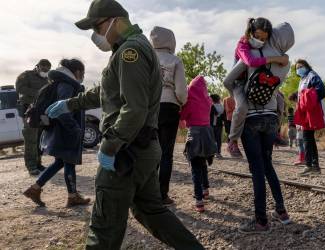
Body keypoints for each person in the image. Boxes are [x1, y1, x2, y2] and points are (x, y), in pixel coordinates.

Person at [45, 1, 203, 249]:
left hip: (126, 151)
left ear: (115, 20)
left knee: (103, 227)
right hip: (141, 148)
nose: (96, 36)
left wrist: (109, 146)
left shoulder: (132, 52)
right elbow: (107, 91)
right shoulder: (127, 50)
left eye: (97, 27)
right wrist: (71, 104)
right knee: (151, 210)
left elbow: (134, 108)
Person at [223, 22, 294, 233]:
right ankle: (282, 212)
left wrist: (236, 91)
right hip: (272, 117)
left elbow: (229, 79)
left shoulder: (254, 53)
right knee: (268, 165)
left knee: (256, 170)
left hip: (252, 118)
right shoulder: (286, 62)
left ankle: (261, 221)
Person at [23, 59, 90, 207]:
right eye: (83, 73)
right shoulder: (67, 85)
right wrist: (75, 129)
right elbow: (62, 111)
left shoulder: (60, 83)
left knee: (62, 162)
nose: (83, 76)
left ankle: (36, 189)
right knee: (68, 161)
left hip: (61, 130)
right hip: (66, 131)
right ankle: (71, 196)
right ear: (77, 72)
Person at [224, 17, 289, 158]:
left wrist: (285, 57)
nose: (261, 41)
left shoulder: (264, 46)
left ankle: (275, 133)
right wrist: (276, 59)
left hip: (256, 81)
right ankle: (232, 141)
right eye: (258, 37)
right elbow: (251, 61)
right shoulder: (243, 43)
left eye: (264, 39)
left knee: (280, 101)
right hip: (239, 82)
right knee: (242, 108)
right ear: (251, 32)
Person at [150, 26, 188, 206]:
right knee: (166, 153)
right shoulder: (175, 60)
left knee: (149, 151)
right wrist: (181, 101)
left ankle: (146, 193)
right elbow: (181, 90)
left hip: (149, 107)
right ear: (171, 41)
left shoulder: (146, 58)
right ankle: (162, 194)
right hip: (169, 106)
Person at [180, 76, 217, 213]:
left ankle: (199, 200)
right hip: (207, 133)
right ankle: (205, 188)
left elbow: (183, 116)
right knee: (203, 163)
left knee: (195, 167)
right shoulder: (208, 101)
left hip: (194, 133)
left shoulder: (189, 100)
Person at [290, 59, 325, 176]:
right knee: (308, 139)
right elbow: (303, 92)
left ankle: (310, 165)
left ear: (306, 66)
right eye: (297, 68)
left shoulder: (312, 76)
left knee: (307, 138)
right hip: (305, 112)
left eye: (300, 66)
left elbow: (321, 91)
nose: (299, 69)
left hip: (310, 112)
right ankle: (313, 166)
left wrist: (308, 98)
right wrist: (297, 95)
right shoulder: (303, 79)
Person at [15, 59, 51, 176]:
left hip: (42, 111)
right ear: (37, 67)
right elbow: (20, 88)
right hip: (29, 110)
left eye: (47, 69)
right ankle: (31, 166)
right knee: (31, 138)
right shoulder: (26, 75)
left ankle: (38, 163)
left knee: (40, 138)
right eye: (43, 68)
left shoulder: (48, 79)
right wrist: (38, 92)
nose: (45, 71)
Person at [210, 94, 224, 158]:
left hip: (212, 125)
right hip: (220, 125)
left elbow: (210, 115)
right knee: (218, 139)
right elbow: (223, 116)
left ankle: (212, 152)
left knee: (212, 139)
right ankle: (218, 152)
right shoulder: (222, 106)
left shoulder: (211, 106)